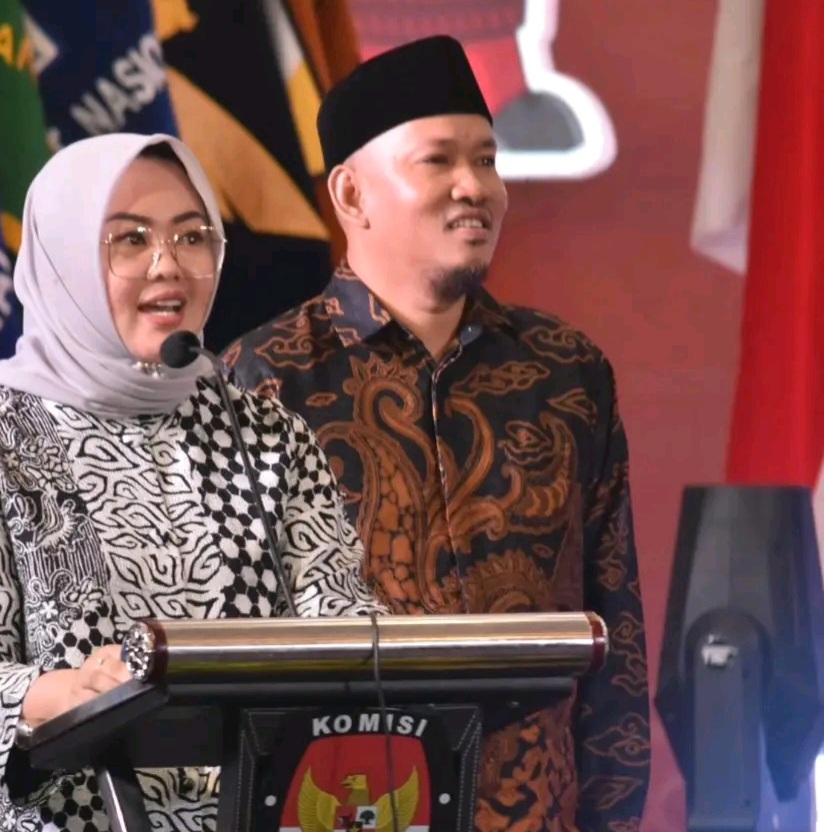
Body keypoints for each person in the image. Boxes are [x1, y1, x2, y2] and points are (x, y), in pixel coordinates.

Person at [0, 133, 383, 832]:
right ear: (64, 259)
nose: (167, 264)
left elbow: (340, 622)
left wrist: (367, 653)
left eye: (192, 236)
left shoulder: (266, 433)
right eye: (130, 239)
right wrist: (63, 692)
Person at [224, 35, 650, 831]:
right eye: (439, 161)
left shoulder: (566, 373)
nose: (475, 187)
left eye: (487, 161)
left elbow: (613, 635)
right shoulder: (259, 383)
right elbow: (227, 652)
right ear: (352, 193)